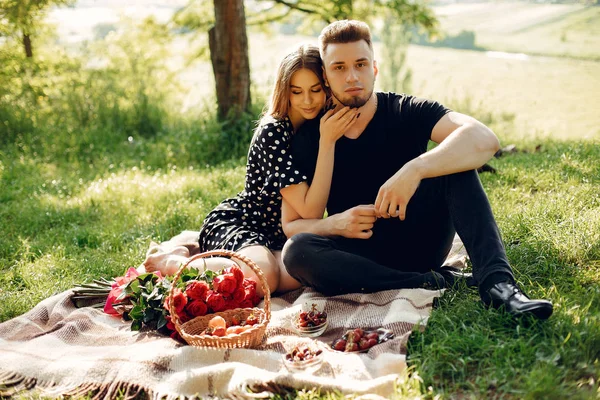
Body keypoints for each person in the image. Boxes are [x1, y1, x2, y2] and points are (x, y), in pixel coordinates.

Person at [280, 20, 553, 319]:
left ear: (375, 68)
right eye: (339, 68)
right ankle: (435, 282)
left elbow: (485, 140)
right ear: (326, 76)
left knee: (454, 162)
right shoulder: (309, 137)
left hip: (422, 241)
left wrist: (416, 169)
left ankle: (498, 285)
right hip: (359, 255)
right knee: (296, 251)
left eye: (360, 64)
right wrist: (336, 224)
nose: (352, 76)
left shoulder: (406, 110)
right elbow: (294, 224)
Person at [144, 44, 359, 296]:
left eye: (315, 90)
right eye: (297, 91)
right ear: (284, 91)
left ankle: (204, 249)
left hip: (281, 238)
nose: (308, 100)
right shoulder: (274, 132)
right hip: (243, 223)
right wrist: (327, 142)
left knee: (300, 272)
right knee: (262, 278)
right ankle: (170, 262)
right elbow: (309, 210)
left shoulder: (319, 126)